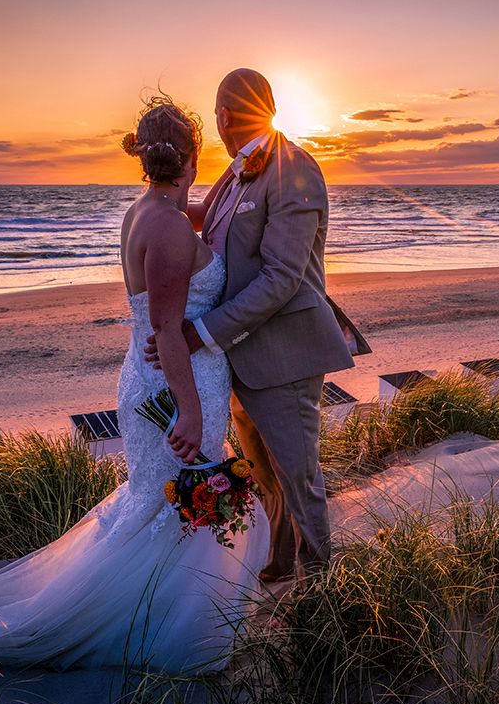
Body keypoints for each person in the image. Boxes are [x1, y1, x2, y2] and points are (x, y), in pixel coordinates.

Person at [0, 95, 269, 681]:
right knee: (181, 505)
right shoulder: (170, 230)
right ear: (191, 156)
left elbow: (187, 243)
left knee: (160, 504)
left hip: (145, 377)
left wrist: (229, 192)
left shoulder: (144, 213)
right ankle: (161, 628)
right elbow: (169, 331)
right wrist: (191, 414)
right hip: (173, 389)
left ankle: (168, 610)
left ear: (144, 160)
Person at [146, 68, 354, 582]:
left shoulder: (296, 168)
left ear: (222, 117)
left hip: (283, 356)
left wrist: (201, 333)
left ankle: (322, 591)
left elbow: (284, 277)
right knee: (266, 476)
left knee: (299, 478)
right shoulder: (237, 171)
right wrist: (152, 207)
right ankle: (280, 566)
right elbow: (208, 221)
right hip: (238, 356)